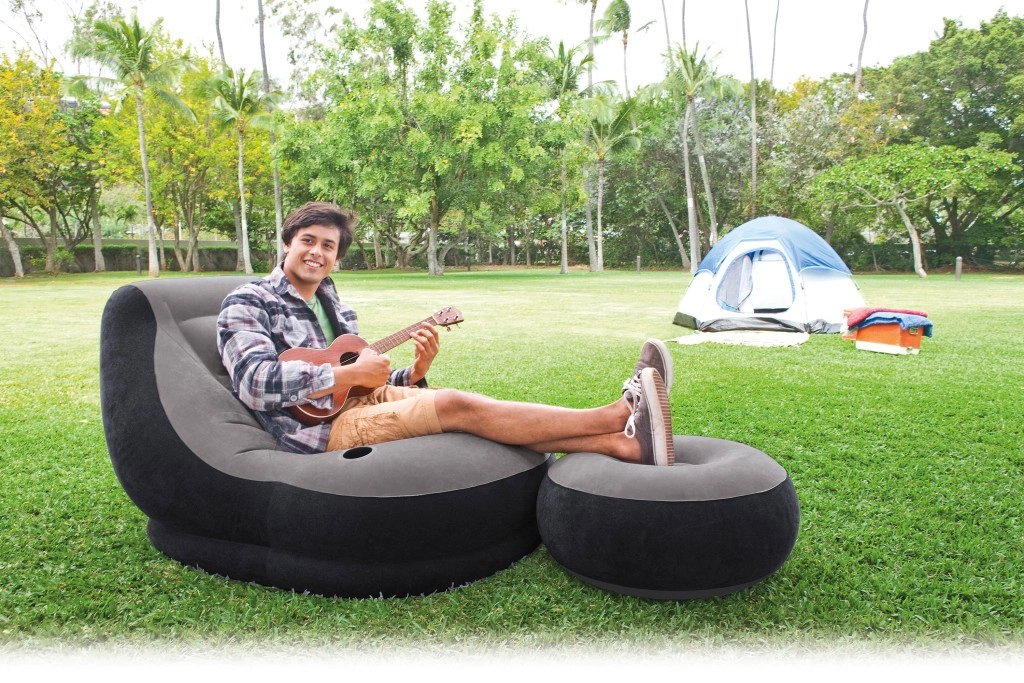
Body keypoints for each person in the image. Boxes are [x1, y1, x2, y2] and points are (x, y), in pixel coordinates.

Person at [217, 201, 675, 466]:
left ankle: (622, 445)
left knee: (466, 404)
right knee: (455, 407)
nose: (316, 252)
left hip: (354, 404)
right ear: (287, 243)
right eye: (308, 241)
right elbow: (254, 383)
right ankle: (615, 414)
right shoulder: (249, 301)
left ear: (337, 257)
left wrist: (414, 372)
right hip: (315, 431)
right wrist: (344, 377)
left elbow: (357, 381)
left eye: (328, 245)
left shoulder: (335, 304)